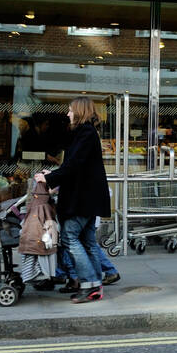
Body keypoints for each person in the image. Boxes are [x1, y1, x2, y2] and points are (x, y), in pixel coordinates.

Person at [38, 97, 112, 303]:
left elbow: (75, 165)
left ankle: (89, 285)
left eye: (70, 110)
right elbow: (74, 165)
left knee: (70, 238)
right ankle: (95, 284)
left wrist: (49, 178)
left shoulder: (85, 133)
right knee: (88, 242)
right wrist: (53, 174)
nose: (67, 114)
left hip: (82, 199)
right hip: (87, 197)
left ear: (79, 112)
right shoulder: (85, 133)